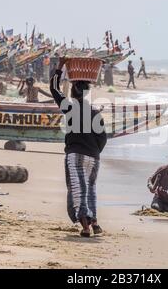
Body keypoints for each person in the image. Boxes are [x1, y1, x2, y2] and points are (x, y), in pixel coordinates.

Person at [49, 58, 107, 237]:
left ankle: (85, 227)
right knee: (90, 189)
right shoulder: (96, 112)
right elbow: (103, 138)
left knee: (77, 190)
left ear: (74, 91)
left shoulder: (70, 107)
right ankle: (95, 222)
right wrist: (95, 151)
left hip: (76, 155)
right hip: (94, 157)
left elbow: (54, 89)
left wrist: (60, 66)